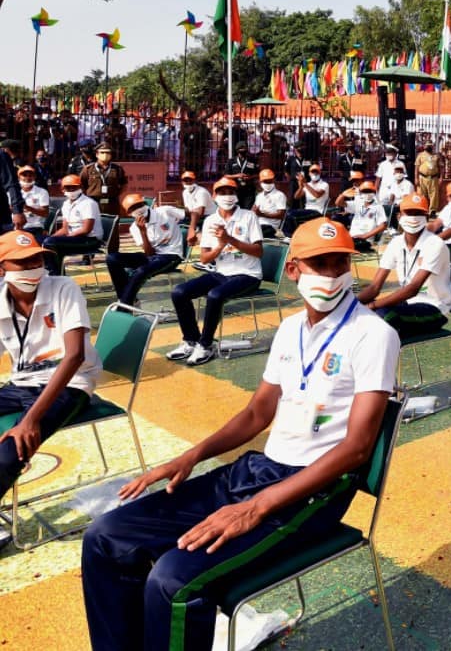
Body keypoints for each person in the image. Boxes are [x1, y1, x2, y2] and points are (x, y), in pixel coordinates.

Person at [81, 218, 398, 651]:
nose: (330, 275)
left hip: (314, 490)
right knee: (105, 537)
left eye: (339, 263)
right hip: (258, 470)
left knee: (173, 581)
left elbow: (357, 448)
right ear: (293, 270)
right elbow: (256, 413)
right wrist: (191, 456)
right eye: (317, 263)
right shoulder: (290, 330)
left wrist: (255, 508)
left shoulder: (374, 335)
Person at [0, 230, 102, 551]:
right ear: (2, 268)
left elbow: (75, 356)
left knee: (11, 452)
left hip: (71, 383)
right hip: (23, 383)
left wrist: (30, 419)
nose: (33, 266)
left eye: (37, 257)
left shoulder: (63, 288)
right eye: (22, 261)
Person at [168, 178, 264, 367]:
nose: (227, 197)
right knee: (179, 292)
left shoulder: (248, 217)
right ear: (214, 196)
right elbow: (205, 259)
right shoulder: (211, 220)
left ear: (236, 196)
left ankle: (206, 344)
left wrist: (231, 240)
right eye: (222, 192)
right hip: (221, 273)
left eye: (231, 192)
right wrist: (220, 246)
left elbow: (259, 252)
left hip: (248, 274)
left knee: (214, 295)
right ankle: (191, 340)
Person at [357, 193, 451, 338]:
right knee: (359, 314)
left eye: (418, 213)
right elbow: (374, 287)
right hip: (407, 303)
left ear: (426, 218)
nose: (413, 218)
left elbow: (413, 289)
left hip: (434, 307)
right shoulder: (396, 243)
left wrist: (372, 305)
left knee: (383, 316)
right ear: (399, 216)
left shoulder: (435, 244)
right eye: (409, 213)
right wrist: (349, 304)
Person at [105, 194, 185, 308]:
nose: (138, 210)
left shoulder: (164, 212)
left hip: (171, 255)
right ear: (129, 214)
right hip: (153, 256)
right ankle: (130, 300)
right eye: (133, 208)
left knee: (141, 271)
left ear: (145, 205)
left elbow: (188, 214)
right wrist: (143, 231)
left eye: (139, 205)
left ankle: (125, 306)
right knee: (112, 259)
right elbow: (149, 254)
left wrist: (192, 229)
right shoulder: (134, 227)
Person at [41, 174, 103, 274]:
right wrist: (50, 237)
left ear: (80, 187)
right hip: (74, 238)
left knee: (51, 243)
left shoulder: (88, 203)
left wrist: (65, 237)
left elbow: (86, 229)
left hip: (89, 240)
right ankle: (58, 275)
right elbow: (65, 229)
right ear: (62, 189)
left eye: (74, 187)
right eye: (68, 188)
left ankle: (54, 274)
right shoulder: (66, 204)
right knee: (44, 241)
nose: (71, 190)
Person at [80, 142, 127, 219]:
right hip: (93, 202)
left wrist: (116, 193)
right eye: (102, 152)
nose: (105, 155)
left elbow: (124, 184)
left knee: (112, 227)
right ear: (97, 154)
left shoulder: (117, 169)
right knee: (93, 227)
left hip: (112, 203)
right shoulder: (88, 169)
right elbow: (81, 185)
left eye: (108, 152)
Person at [282, 162, 329, 236]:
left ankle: (289, 235)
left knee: (292, 216)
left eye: (316, 172)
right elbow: (296, 196)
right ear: (309, 174)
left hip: (318, 212)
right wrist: (301, 187)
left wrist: (304, 184)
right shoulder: (308, 185)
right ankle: (288, 234)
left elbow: (317, 195)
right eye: (313, 172)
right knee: (288, 212)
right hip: (307, 210)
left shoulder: (324, 185)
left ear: (320, 173)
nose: (315, 174)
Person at [346, 181, 387, 253]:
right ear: (361, 194)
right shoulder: (358, 204)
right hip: (351, 237)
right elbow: (338, 203)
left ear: (374, 193)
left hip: (365, 240)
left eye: (370, 191)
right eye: (365, 192)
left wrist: (365, 236)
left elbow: (383, 225)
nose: (367, 194)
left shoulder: (378, 207)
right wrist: (343, 195)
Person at [180, 171, 214, 245]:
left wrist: (191, 228)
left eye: (190, 180)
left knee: (196, 234)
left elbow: (200, 212)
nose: (188, 182)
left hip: (207, 216)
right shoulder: (185, 192)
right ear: (182, 182)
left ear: (194, 181)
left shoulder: (201, 192)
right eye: (186, 180)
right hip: (193, 216)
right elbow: (188, 209)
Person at [252, 168, 288, 239]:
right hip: (257, 224)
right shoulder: (259, 196)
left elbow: (281, 215)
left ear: (274, 181)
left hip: (270, 226)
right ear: (260, 182)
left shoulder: (279, 195)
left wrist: (262, 214)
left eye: (270, 181)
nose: (268, 183)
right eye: (266, 181)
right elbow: (254, 210)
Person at [17, 165, 49, 239]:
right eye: (24, 175)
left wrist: (28, 208)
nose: (27, 178)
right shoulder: (14, 192)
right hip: (15, 226)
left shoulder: (42, 192)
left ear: (34, 177)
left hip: (34, 226)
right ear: (19, 178)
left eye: (30, 175)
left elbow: (45, 213)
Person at [224, 141, 259, 210]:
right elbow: (226, 175)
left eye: (244, 148)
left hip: (249, 191)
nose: (243, 150)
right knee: (236, 210)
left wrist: (250, 177)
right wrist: (237, 176)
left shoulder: (253, 160)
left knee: (247, 210)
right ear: (237, 150)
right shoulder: (231, 161)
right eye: (241, 149)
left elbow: (257, 174)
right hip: (235, 190)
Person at [414, 141, 440, 207]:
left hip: (433, 178)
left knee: (434, 195)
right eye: (427, 145)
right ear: (424, 146)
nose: (428, 146)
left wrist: (441, 178)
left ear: (432, 146)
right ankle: (422, 209)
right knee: (421, 195)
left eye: (430, 145)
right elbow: (416, 167)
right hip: (422, 177)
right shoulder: (420, 155)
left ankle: (432, 211)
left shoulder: (436, 156)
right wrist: (416, 178)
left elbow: (440, 167)